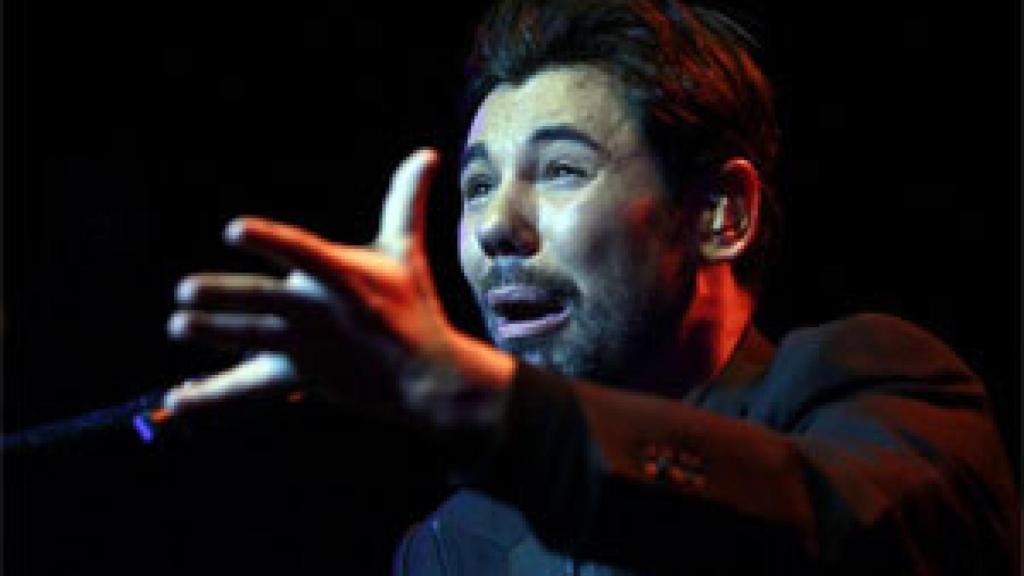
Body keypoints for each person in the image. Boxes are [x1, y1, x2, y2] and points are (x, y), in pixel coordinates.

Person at [164, 0, 1019, 573]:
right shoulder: (455, 547)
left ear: (722, 213)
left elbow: (833, 535)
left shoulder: (870, 393)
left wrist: (479, 401)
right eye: (477, 186)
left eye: (563, 169)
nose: (499, 224)